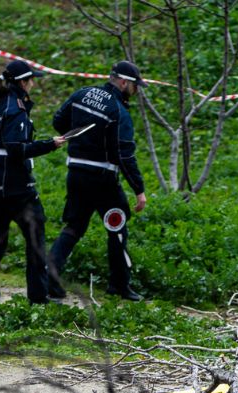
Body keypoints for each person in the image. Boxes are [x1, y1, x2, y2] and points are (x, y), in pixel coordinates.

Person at [47, 60, 149, 301]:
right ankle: (120, 285)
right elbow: (124, 154)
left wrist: (81, 138)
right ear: (124, 82)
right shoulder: (118, 110)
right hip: (103, 178)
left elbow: (59, 121)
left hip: (76, 172)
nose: (136, 92)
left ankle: (48, 276)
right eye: (135, 86)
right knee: (117, 223)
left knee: (74, 226)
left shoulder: (82, 93)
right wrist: (139, 189)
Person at [0, 59, 65, 304]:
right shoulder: (16, 108)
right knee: (35, 240)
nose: (33, 84)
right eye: (31, 80)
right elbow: (15, 148)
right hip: (16, 188)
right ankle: (38, 297)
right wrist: (49, 145)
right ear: (23, 82)